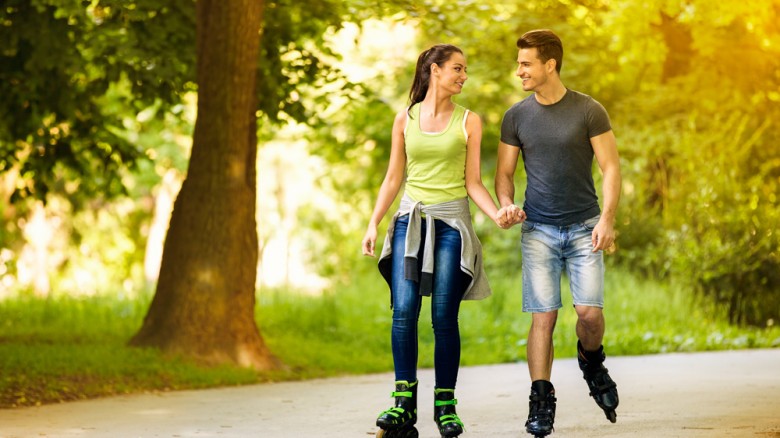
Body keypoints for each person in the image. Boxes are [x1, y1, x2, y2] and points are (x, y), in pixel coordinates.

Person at [362, 44, 514, 438]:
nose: (464, 76)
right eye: (457, 69)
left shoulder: (469, 122)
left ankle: (445, 406)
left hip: (451, 224)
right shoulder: (405, 119)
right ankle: (402, 405)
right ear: (435, 70)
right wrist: (374, 223)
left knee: (444, 316)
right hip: (410, 224)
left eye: (465, 70)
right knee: (403, 311)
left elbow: (472, 182)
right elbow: (394, 177)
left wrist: (496, 212)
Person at [494, 29, 622, 437]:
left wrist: (607, 219)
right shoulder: (516, 116)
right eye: (519, 64)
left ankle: (592, 361)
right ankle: (541, 401)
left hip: (586, 226)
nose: (519, 71)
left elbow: (612, 168)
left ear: (550, 64)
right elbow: (503, 175)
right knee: (543, 318)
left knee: (589, 315)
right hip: (538, 230)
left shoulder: (588, 110)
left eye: (526, 63)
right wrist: (507, 203)